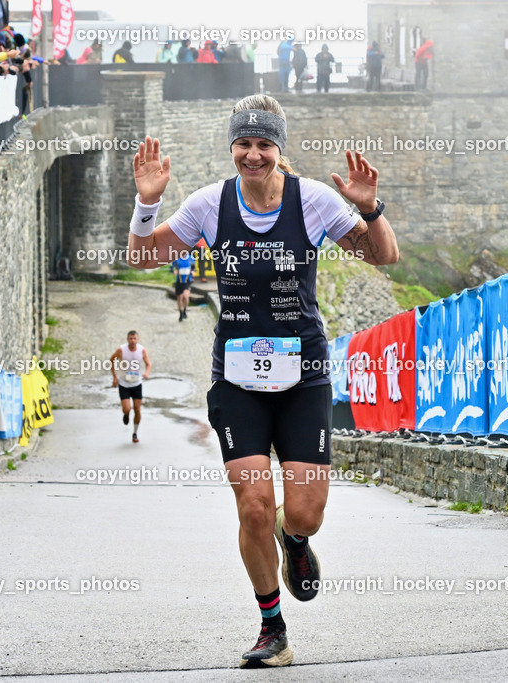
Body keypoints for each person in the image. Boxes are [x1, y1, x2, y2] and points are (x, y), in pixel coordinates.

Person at [126, 95, 399, 668]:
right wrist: (147, 203)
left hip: (305, 376)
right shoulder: (210, 204)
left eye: (265, 145)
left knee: (305, 513)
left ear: (279, 148)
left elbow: (384, 256)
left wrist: (370, 209)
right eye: (244, 144)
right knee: (253, 505)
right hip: (237, 378)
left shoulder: (313, 200)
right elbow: (142, 258)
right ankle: (272, 629)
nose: (253, 155)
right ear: (232, 148)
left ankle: (293, 539)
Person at [110, 330, 151, 443]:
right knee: (127, 408)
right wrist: (115, 377)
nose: (133, 341)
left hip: (137, 383)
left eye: (135, 339)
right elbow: (111, 361)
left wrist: (147, 373)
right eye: (131, 339)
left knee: (137, 409)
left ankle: (135, 433)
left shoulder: (142, 350)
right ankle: (126, 414)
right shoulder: (121, 350)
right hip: (124, 383)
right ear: (127, 339)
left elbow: (148, 364)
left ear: (138, 339)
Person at [170, 252, 194, 321]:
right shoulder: (176, 259)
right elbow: (171, 268)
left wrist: (193, 271)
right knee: (179, 298)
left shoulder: (191, 258)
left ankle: (185, 310)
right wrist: (173, 271)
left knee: (186, 297)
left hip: (187, 281)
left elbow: (193, 267)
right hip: (179, 281)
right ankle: (180, 313)